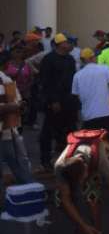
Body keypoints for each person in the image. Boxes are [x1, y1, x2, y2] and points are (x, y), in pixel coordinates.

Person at [39, 33, 78, 170]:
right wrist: (53, 100)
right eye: (69, 42)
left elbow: (73, 80)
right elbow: (45, 82)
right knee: (48, 131)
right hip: (53, 101)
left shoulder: (71, 60)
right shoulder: (48, 59)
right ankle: (45, 159)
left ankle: (66, 157)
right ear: (60, 43)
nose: (72, 45)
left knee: (67, 130)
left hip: (68, 100)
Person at [0, 51, 36, 193]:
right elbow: (17, 105)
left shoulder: (6, 80)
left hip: (8, 132)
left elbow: (19, 104)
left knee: (19, 165)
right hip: (7, 133)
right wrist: (12, 107)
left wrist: (18, 107)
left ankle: (33, 191)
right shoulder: (5, 80)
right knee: (19, 165)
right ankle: (33, 191)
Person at [71, 49, 109, 137]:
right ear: (91, 58)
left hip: (89, 116)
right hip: (108, 113)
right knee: (107, 142)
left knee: (92, 143)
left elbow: (76, 96)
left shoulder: (77, 75)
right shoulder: (105, 68)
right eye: (95, 56)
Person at [5, 43, 35, 129]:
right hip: (10, 94)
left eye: (22, 51)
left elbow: (32, 79)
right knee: (10, 116)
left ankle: (18, 136)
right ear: (13, 52)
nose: (19, 53)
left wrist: (26, 88)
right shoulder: (7, 64)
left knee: (21, 116)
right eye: (17, 51)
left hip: (24, 94)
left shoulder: (27, 64)